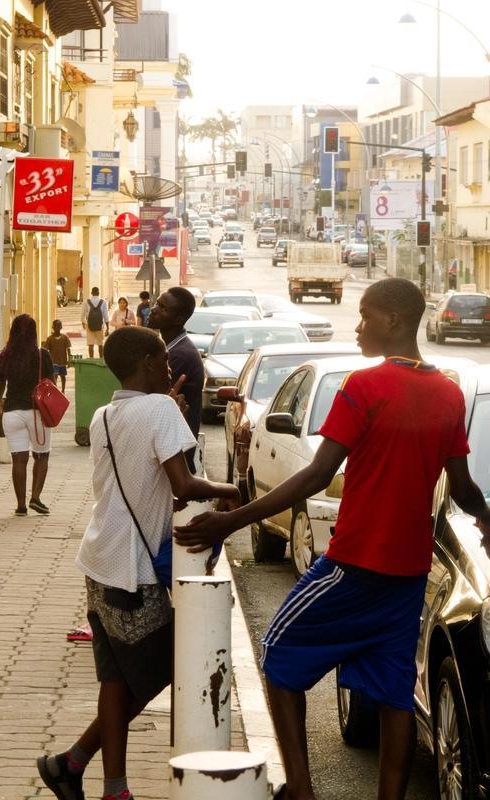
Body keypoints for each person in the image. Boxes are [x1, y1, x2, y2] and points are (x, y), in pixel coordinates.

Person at [175, 277, 490, 800]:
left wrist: (232, 520)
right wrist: (486, 520)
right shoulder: (449, 394)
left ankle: (300, 789)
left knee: (278, 656)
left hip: (355, 565)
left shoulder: (362, 387)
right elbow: (463, 487)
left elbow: (318, 475)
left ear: (394, 321)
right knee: (393, 695)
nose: (359, 325)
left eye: (366, 315)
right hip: (407, 573)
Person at [36, 326, 240, 800]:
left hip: (98, 558)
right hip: (131, 570)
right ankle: (79, 765)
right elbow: (183, 487)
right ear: (148, 362)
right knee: (170, 664)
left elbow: (147, 465)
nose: (171, 367)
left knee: (116, 677)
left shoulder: (109, 412)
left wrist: (169, 412)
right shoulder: (161, 409)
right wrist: (230, 491)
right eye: (164, 361)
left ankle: (102, 782)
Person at [0, 314, 55, 517]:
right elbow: (50, 383)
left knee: (19, 459)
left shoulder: (5, 355)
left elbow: (0, 382)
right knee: (42, 454)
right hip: (37, 413)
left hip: (12, 412)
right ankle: (35, 497)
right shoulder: (42, 355)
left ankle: (20, 505)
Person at [148, 286, 203, 449]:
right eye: (157, 303)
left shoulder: (179, 355)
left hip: (175, 449)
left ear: (178, 319)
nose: (153, 309)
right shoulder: (172, 348)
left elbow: (153, 399)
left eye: (162, 308)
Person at [82, 287, 109, 358]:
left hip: (89, 325)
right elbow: (106, 316)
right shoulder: (103, 302)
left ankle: (91, 359)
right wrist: (107, 328)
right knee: (100, 344)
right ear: (98, 293)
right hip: (100, 326)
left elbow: (83, 314)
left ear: (91, 293)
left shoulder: (86, 302)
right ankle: (101, 358)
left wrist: (83, 323)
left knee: (90, 344)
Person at [45, 319, 72, 392]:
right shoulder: (50, 339)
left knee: (63, 376)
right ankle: (55, 390)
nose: (57, 328)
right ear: (53, 327)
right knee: (54, 377)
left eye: (59, 326)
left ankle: (63, 390)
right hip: (53, 362)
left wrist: (69, 360)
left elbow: (68, 349)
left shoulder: (65, 337)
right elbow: (46, 350)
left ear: (61, 327)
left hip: (62, 361)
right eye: (56, 326)